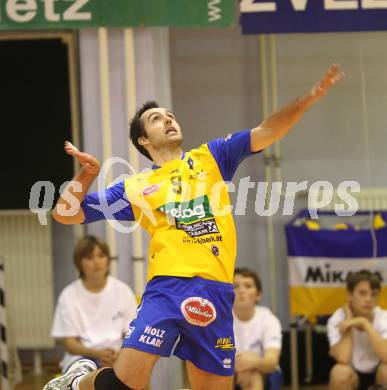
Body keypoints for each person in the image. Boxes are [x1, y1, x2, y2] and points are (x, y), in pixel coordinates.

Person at [44, 64, 344, 390]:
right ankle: (75, 383)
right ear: (143, 139)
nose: (169, 119)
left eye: (170, 115)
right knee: (126, 383)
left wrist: (308, 99)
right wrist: (88, 173)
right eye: (157, 118)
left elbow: (267, 131)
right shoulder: (134, 187)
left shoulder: (211, 158)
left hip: (216, 290)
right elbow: (65, 213)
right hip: (167, 287)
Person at [51, 235, 137, 373]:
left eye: (101, 256)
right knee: (86, 377)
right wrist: (97, 354)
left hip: (117, 355)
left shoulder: (123, 291)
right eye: (90, 258)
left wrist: (118, 355)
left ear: (108, 260)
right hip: (80, 358)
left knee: (138, 371)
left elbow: (131, 334)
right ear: (80, 263)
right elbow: (70, 343)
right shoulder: (69, 295)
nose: (96, 262)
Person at [328, 270, 387, 390]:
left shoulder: (383, 317)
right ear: (350, 295)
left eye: (373, 294)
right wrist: (349, 321)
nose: (368, 299)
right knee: (339, 373)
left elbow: (386, 356)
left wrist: (364, 323)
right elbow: (343, 358)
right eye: (363, 293)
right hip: (352, 375)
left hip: (377, 374)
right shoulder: (337, 318)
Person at [233, 268, 282, 390]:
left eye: (248, 286)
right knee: (223, 375)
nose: (242, 290)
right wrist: (239, 365)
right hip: (231, 371)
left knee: (252, 374)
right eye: (235, 286)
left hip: (266, 374)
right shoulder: (221, 319)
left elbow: (272, 362)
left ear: (258, 294)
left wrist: (252, 362)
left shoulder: (269, 319)